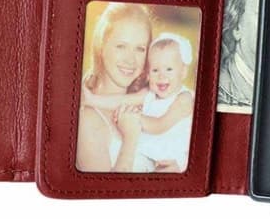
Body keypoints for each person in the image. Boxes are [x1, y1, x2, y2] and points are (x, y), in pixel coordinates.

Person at [81, 32, 195, 173]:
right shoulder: (150, 93)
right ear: (148, 74)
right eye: (155, 70)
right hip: (149, 158)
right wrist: (93, 100)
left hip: (170, 160)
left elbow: (160, 125)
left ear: (183, 72)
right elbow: (123, 100)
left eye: (169, 69)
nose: (161, 76)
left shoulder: (184, 98)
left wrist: (135, 118)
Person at [76, 2, 152, 172]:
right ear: (101, 46)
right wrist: (130, 139)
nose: (131, 60)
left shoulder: (149, 101)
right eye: (121, 46)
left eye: (140, 49)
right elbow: (103, 189)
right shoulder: (88, 120)